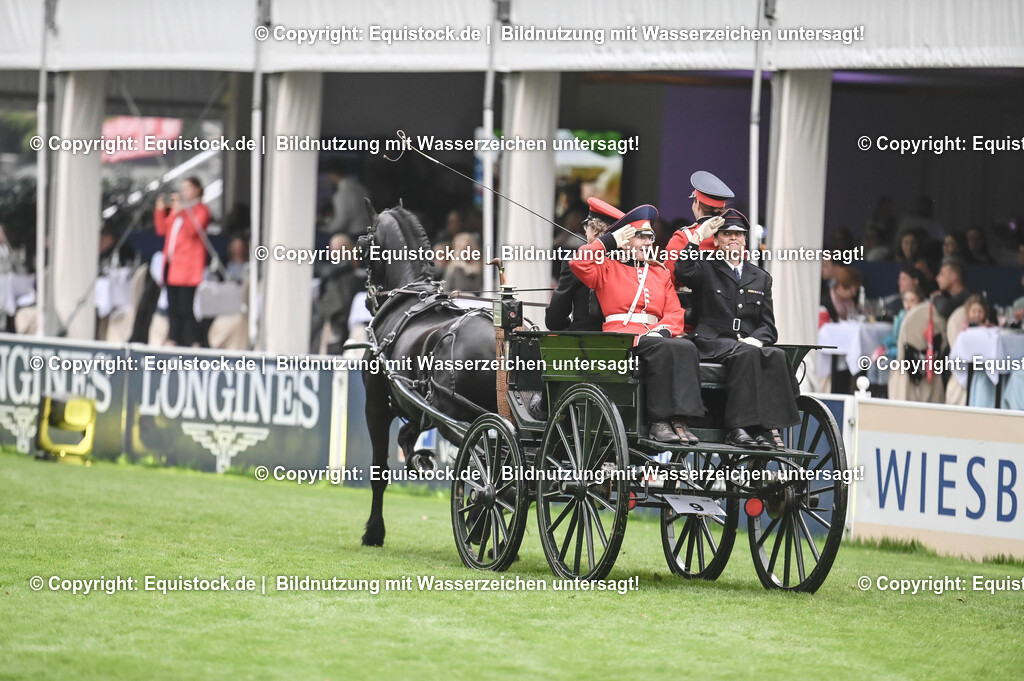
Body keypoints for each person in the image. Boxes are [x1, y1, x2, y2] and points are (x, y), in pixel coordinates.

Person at [571, 205, 704, 444]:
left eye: (649, 237)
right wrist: (608, 242)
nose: (646, 243)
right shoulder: (606, 267)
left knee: (686, 347)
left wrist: (662, 330)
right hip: (620, 337)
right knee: (664, 349)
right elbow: (579, 263)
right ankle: (659, 422)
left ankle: (680, 420)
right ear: (625, 241)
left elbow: (674, 312)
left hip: (654, 336)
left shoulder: (659, 273)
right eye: (640, 237)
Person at [674, 208, 799, 449]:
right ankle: (737, 427)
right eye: (727, 234)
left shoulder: (760, 277)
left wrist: (756, 339)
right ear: (717, 240)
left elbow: (768, 327)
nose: (733, 238)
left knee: (777, 355)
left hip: (745, 344)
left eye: (739, 234)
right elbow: (683, 271)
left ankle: (766, 427)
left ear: (745, 240)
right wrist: (697, 238)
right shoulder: (706, 266)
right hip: (712, 340)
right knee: (748, 353)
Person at [546, 197, 622, 332]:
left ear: (595, 231)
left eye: (586, 227)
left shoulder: (578, 262)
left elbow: (554, 320)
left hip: (586, 340)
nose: (585, 231)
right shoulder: (628, 261)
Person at [153, 176, 210, 346]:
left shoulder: (201, 210)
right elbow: (162, 229)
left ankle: (195, 339)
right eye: (182, 188)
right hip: (172, 265)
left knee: (186, 307)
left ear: (197, 189)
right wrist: (160, 210)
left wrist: (182, 212)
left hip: (188, 267)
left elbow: (193, 230)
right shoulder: (180, 211)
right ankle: (173, 338)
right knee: (173, 307)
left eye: (188, 188)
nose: (184, 192)